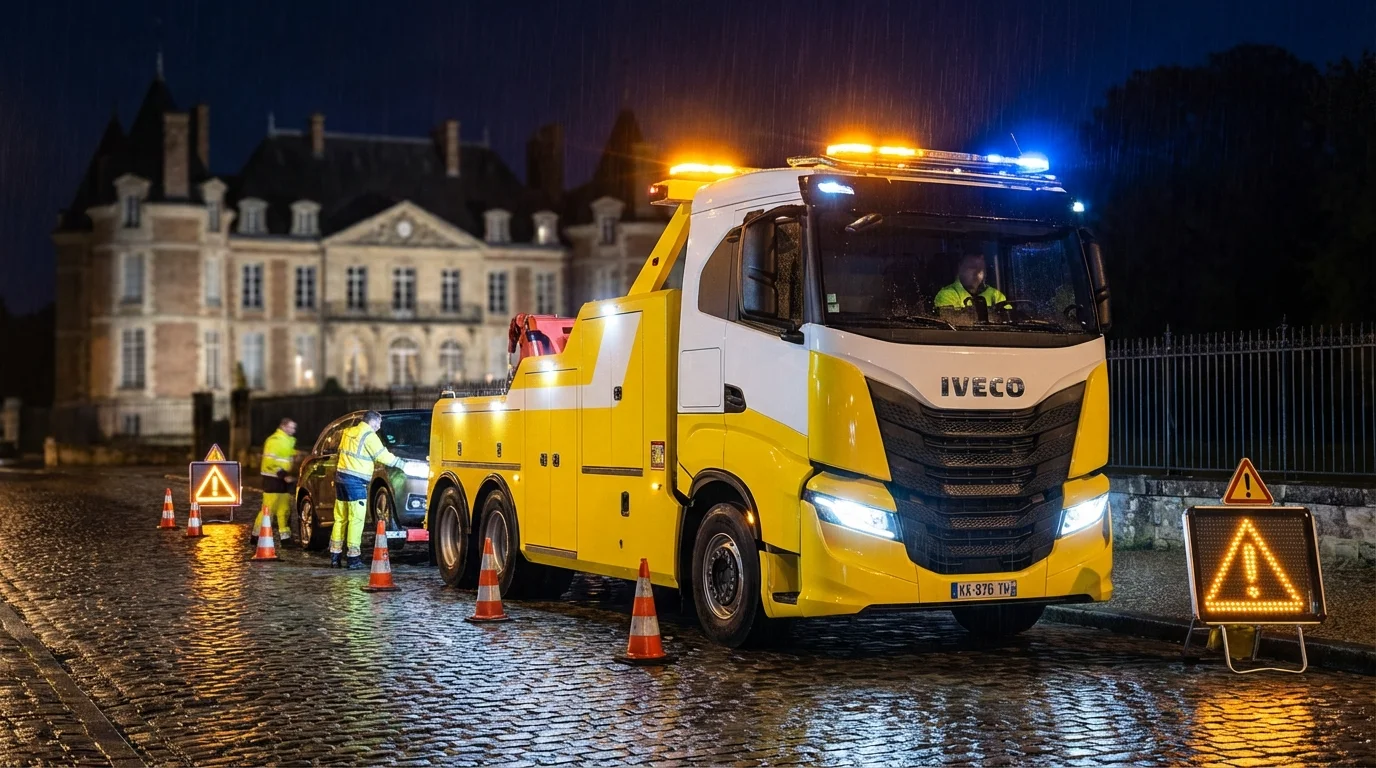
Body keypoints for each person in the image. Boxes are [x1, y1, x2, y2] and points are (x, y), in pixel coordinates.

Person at [331, 411, 405, 569]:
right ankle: (353, 558)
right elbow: (383, 456)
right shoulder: (369, 436)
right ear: (373, 422)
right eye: (379, 423)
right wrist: (402, 464)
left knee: (340, 518)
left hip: (340, 478)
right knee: (356, 520)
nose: (379, 426)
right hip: (356, 482)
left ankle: (335, 556)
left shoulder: (349, 432)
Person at [260, 418, 297, 543]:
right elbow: (270, 461)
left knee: (284, 509)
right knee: (268, 511)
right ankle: (257, 536)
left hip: (282, 478)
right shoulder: (274, 440)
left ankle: (285, 538)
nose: (293, 430)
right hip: (272, 479)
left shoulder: (288, 440)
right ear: (283, 427)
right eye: (291, 427)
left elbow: (286, 456)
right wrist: (283, 475)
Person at [933, 253, 1007, 310]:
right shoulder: (946, 295)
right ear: (960, 268)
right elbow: (953, 325)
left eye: (981, 268)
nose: (977, 272)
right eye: (972, 267)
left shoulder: (996, 295)